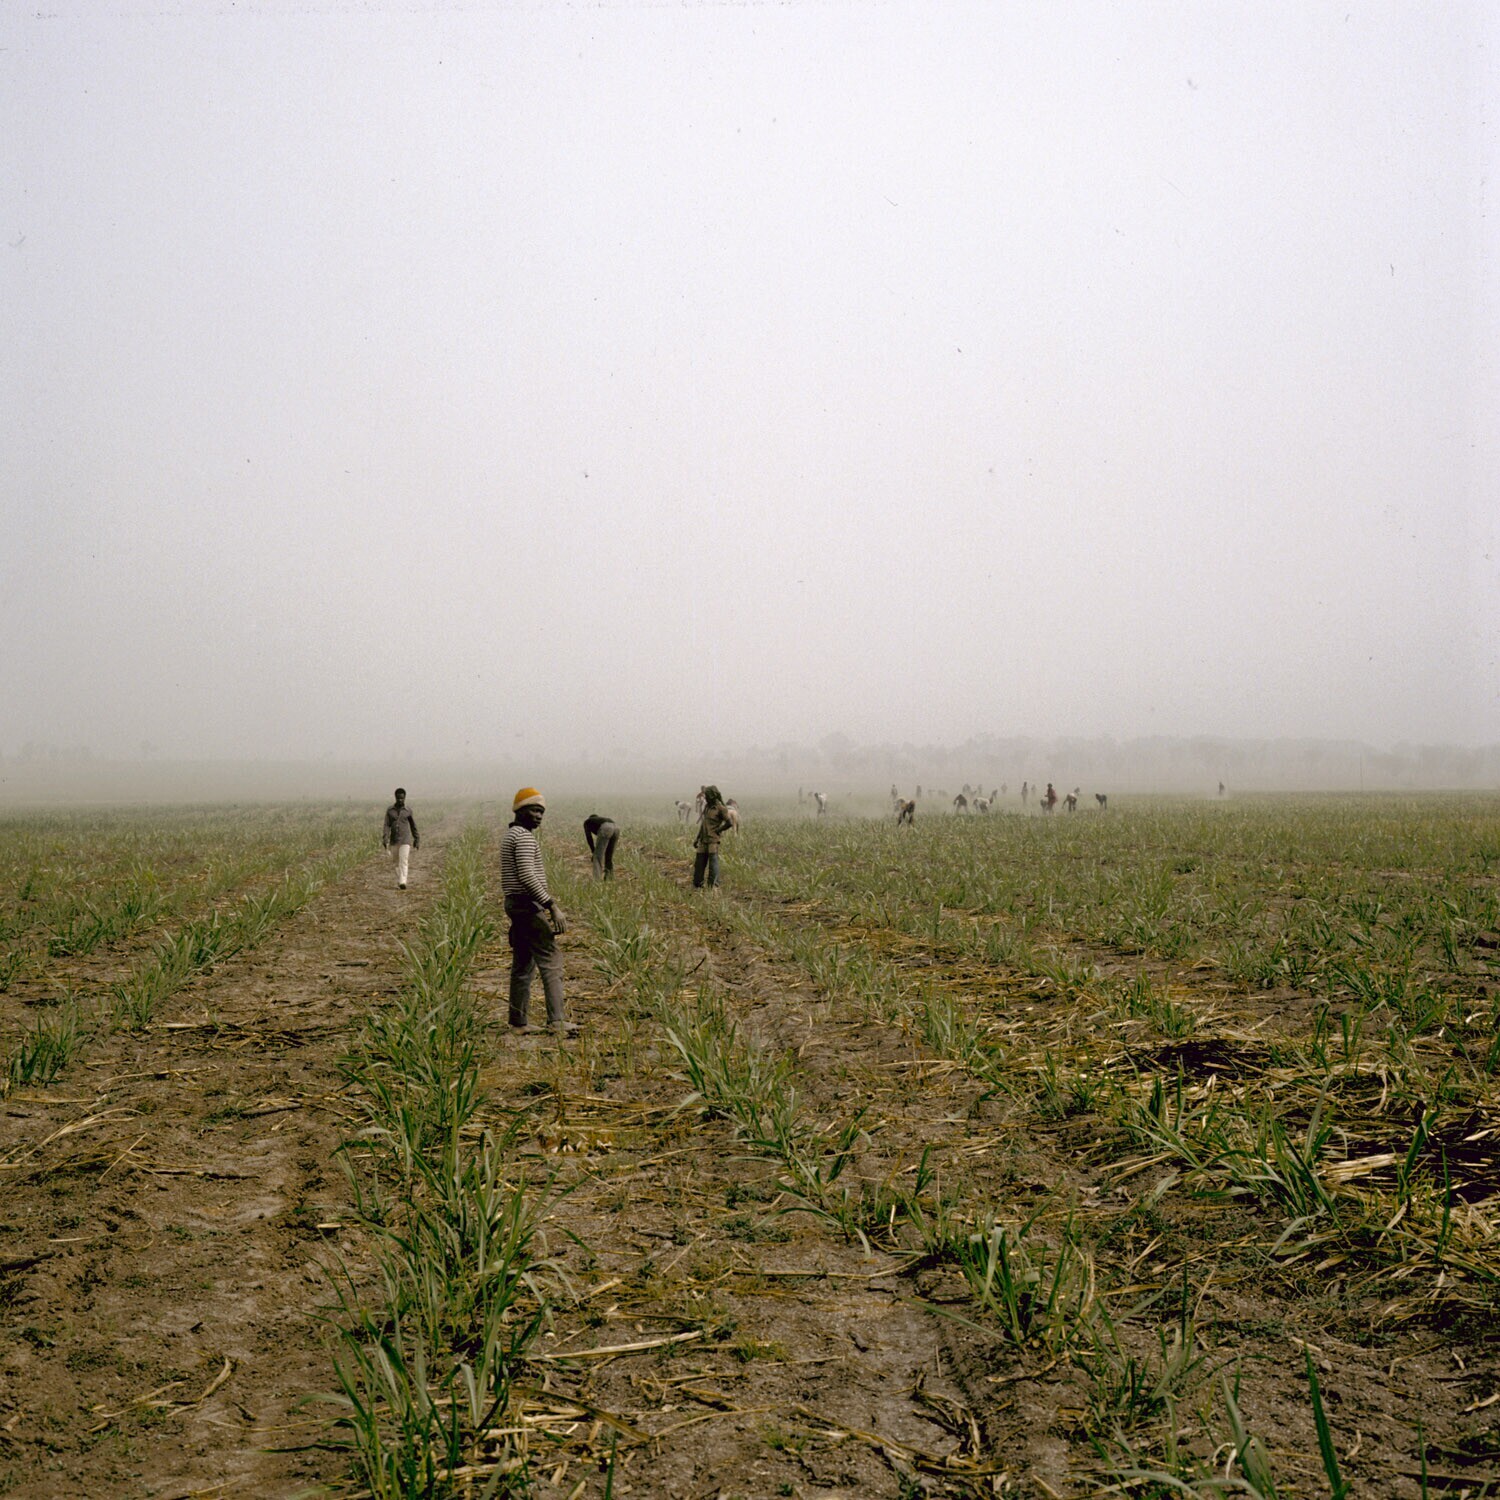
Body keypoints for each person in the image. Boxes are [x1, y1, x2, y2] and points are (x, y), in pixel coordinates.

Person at [501, 788, 569, 1033]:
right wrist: (551, 906)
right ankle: (557, 1021)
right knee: (551, 960)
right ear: (520, 811)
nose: (539, 816)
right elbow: (527, 876)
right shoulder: (524, 838)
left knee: (523, 963)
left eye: (542, 812)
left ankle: (518, 1022)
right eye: (534, 810)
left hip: (515, 904)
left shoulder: (511, 835)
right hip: (528, 906)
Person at [693, 785, 735, 888]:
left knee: (713, 863)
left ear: (712, 796)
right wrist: (697, 838)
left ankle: (714, 885)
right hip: (703, 839)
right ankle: (698, 884)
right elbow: (703, 824)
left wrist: (718, 830)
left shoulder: (721, 809)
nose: (706, 797)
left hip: (713, 840)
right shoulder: (707, 807)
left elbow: (729, 823)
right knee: (699, 863)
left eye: (707, 795)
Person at [381, 787, 419, 889]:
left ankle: (403, 881)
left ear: (405, 798)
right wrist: (385, 838)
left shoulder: (408, 811)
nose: (400, 800)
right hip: (394, 840)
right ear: (395, 797)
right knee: (396, 862)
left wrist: (416, 838)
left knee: (404, 860)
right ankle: (400, 879)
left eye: (402, 798)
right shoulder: (390, 811)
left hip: (405, 840)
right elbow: (386, 825)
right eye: (398, 798)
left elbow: (413, 826)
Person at [583, 812, 620, 880]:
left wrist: (593, 851)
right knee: (609, 856)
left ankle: (597, 879)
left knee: (597, 857)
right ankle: (609, 877)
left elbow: (589, 838)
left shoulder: (587, 822)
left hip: (606, 828)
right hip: (616, 827)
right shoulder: (600, 820)